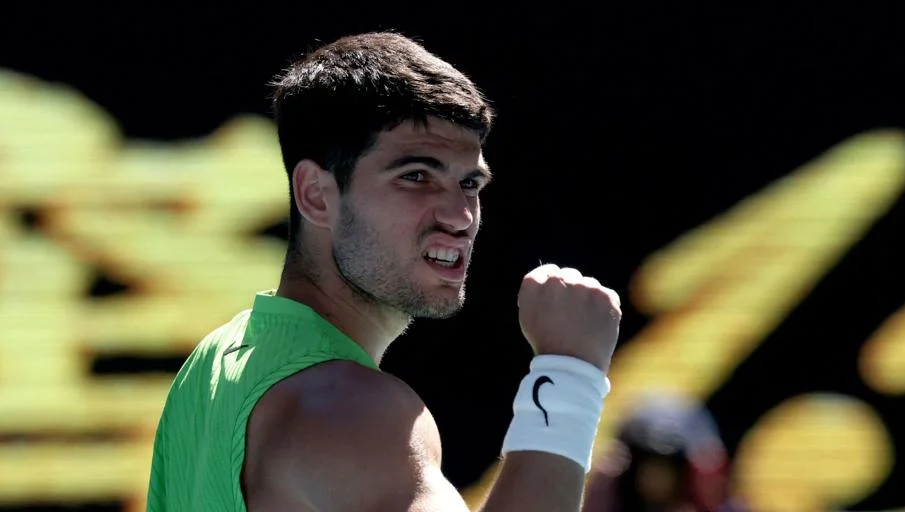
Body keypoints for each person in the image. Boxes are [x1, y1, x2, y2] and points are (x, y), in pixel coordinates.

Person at [145, 32, 623, 512]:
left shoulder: (213, 362)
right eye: (416, 176)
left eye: (469, 183)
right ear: (316, 194)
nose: (460, 216)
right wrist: (569, 371)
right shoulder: (352, 407)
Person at [582, 395, 748, 512]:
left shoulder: (711, 499)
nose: (656, 480)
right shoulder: (608, 493)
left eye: (667, 468)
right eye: (647, 467)